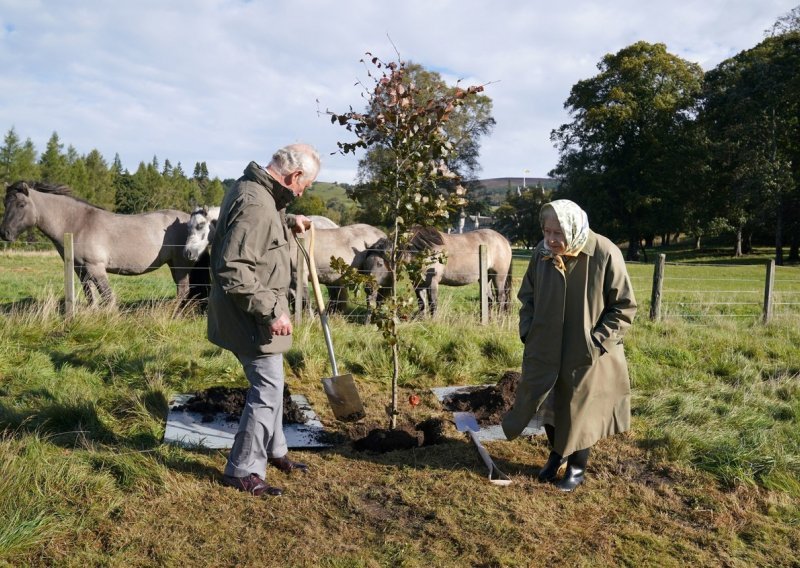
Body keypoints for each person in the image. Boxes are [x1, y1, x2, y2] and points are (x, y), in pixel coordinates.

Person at [208, 143, 319, 497]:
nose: (304, 192)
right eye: (307, 185)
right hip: (251, 316)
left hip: (250, 312)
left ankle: (275, 451)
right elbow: (234, 267)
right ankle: (242, 469)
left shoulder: (254, 192)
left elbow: (257, 233)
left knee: (274, 381)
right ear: (294, 176)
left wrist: (288, 223)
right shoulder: (257, 204)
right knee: (267, 388)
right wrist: (271, 312)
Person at [502, 199, 637, 492]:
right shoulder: (542, 253)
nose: (551, 239)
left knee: (580, 410)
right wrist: (528, 331)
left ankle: (577, 467)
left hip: (587, 354)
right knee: (548, 403)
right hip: (545, 347)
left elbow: (624, 307)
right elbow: (528, 297)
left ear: (574, 228)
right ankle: (557, 454)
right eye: (547, 231)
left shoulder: (604, 252)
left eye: (557, 233)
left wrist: (597, 342)